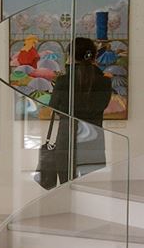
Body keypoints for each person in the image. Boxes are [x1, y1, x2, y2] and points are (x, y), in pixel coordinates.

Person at [48, 36, 113, 183]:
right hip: (93, 138)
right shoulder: (104, 82)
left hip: (67, 139)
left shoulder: (63, 81)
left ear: (71, 56)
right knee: (91, 187)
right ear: (94, 56)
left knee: (66, 187)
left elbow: (54, 108)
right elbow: (102, 106)